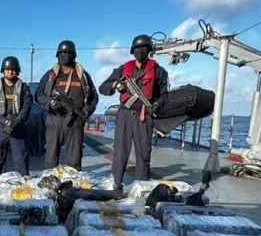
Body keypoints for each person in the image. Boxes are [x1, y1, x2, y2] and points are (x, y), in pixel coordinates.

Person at [98, 34, 169, 187]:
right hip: (124, 116)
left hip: (144, 117)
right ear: (132, 50)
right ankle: (115, 185)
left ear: (149, 50)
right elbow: (103, 88)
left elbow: (165, 95)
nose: (140, 50)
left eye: (144, 48)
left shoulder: (159, 71)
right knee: (120, 154)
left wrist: (157, 105)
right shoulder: (123, 69)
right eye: (137, 48)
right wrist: (116, 84)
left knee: (143, 154)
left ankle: (141, 187)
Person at [35, 40, 98, 171]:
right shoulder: (51, 75)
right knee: (51, 159)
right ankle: (49, 185)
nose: (65, 55)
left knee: (75, 160)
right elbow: (38, 94)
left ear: (74, 55)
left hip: (75, 121)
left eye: (69, 53)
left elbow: (94, 97)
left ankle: (73, 188)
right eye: (63, 53)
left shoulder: (83, 75)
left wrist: (86, 111)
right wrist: (50, 103)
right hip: (54, 120)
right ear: (57, 55)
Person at [0, 56, 33, 180]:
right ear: (3, 70)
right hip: (1, 127)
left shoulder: (24, 88)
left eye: (13, 69)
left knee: (21, 160)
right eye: (7, 69)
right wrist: (4, 121)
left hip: (17, 127)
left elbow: (27, 107)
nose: (10, 71)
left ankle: (24, 185)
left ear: (17, 71)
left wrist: (16, 122)